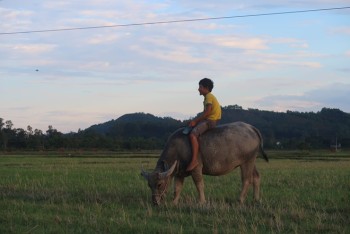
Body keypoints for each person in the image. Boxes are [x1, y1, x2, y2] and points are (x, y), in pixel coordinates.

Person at [186, 78, 221, 171]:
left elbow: (207, 112)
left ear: (206, 88)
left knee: (193, 135)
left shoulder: (209, 97)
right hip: (210, 120)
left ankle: (194, 160)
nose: (198, 89)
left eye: (200, 87)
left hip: (210, 121)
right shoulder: (208, 97)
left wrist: (196, 121)